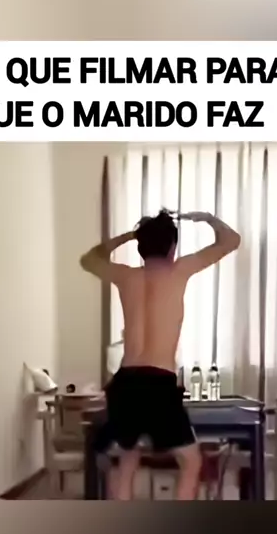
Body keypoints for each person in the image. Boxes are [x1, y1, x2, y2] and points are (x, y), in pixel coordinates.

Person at [80, 209, 241, 500]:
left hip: (125, 382)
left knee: (127, 460)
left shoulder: (125, 275)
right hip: (158, 382)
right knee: (190, 462)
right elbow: (231, 240)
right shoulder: (179, 270)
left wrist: (128, 237)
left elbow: (88, 259)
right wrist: (208, 218)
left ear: (141, 247)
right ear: (172, 247)